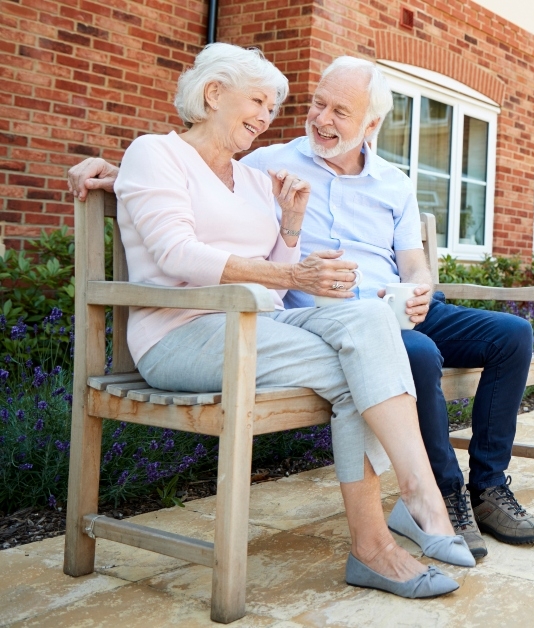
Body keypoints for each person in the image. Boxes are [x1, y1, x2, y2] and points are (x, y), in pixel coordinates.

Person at [69, 57, 534, 559]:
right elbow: (189, 177)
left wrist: (419, 287)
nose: (321, 119)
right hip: (299, 317)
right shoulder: (268, 161)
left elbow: (409, 260)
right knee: (412, 354)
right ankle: (439, 497)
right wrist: (119, 172)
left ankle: (485, 490)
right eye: (316, 104)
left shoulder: (380, 181)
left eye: (339, 111)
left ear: (370, 125)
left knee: (512, 334)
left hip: (386, 306)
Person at [105, 42, 468, 599]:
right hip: (180, 334)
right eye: (258, 102)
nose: (266, 118)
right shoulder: (156, 153)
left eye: (273, 109)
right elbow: (177, 253)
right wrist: (295, 276)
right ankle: (393, 529)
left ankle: (411, 505)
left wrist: (291, 231)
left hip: (256, 328)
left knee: (370, 322)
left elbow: (273, 279)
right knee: (362, 368)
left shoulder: (253, 179)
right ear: (212, 94)